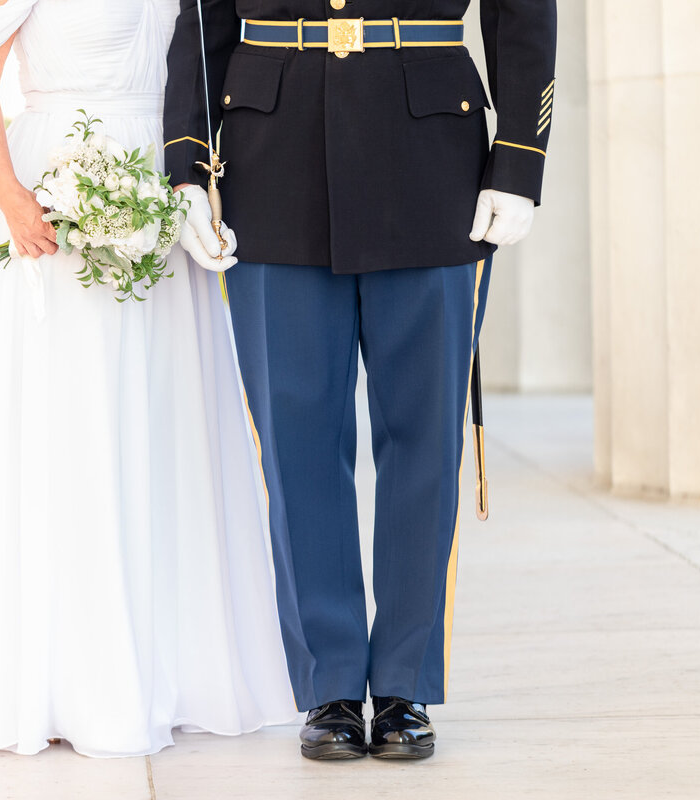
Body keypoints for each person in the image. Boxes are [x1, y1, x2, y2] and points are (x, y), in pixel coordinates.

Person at [0, 0, 297, 758]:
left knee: (166, 428)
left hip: (166, 191)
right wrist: (11, 197)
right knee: (69, 428)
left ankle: (180, 667)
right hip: (54, 195)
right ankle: (68, 678)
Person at [164, 0, 557, 760]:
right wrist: (185, 160)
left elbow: (522, 11)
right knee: (297, 439)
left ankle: (406, 682)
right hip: (273, 163)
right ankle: (330, 682)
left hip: (432, 159)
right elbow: (201, 18)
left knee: (424, 439)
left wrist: (519, 157)